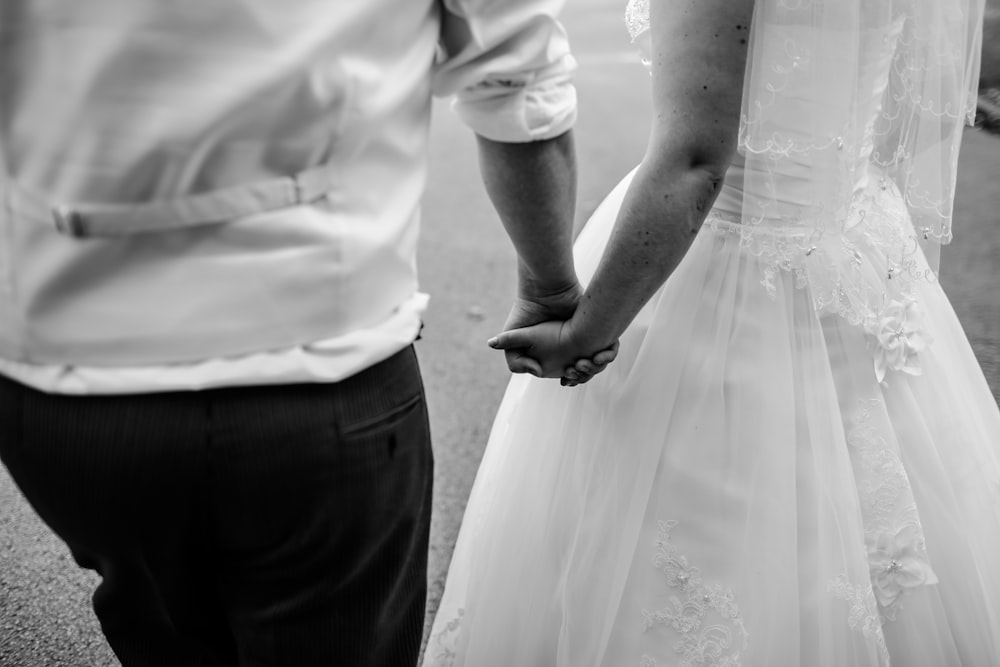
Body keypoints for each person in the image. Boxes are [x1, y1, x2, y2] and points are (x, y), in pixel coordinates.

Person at [0, 1, 610, 665]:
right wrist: (551, 288)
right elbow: (517, 82)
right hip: (319, 372)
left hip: (64, 366)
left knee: (163, 630)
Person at [424, 0, 1000, 664]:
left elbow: (696, 160)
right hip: (862, 247)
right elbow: (915, 106)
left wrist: (589, 325)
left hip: (727, 260)